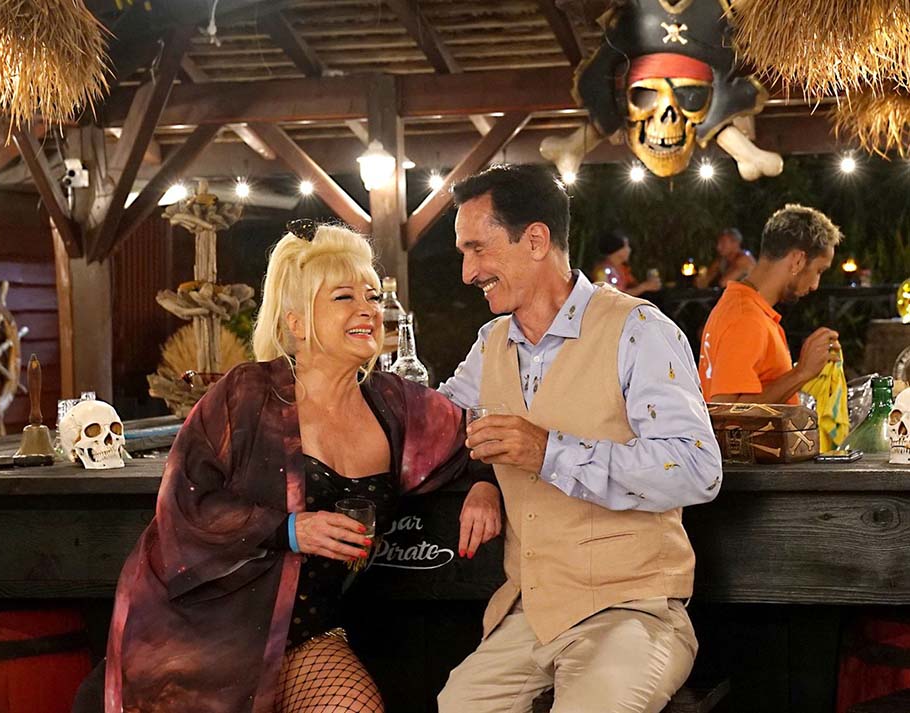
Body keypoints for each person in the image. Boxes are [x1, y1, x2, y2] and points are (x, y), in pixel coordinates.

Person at [104, 223, 502, 713]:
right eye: (344, 297)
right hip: (207, 633)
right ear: (296, 322)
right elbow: (185, 505)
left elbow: (477, 437)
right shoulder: (246, 394)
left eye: (372, 296)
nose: (368, 309)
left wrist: (484, 483)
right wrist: (290, 529)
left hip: (307, 633)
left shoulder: (396, 403)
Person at [437, 164, 722, 713]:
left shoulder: (639, 330)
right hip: (530, 613)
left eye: (478, 249)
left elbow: (696, 468)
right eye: (463, 253)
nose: (467, 272)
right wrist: (481, 477)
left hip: (632, 610)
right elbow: (440, 424)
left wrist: (549, 453)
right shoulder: (490, 343)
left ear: (536, 240)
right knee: (457, 705)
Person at [698, 204, 842, 405]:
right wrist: (801, 373)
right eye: (819, 271)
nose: (815, 285)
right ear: (798, 260)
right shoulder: (746, 318)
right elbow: (728, 412)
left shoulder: (745, 308)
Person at [590, 229, 662, 296]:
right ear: (617, 250)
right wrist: (643, 287)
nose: (629, 250)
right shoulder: (602, 271)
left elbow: (631, 288)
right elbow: (613, 296)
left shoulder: (623, 268)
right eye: (626, 246)